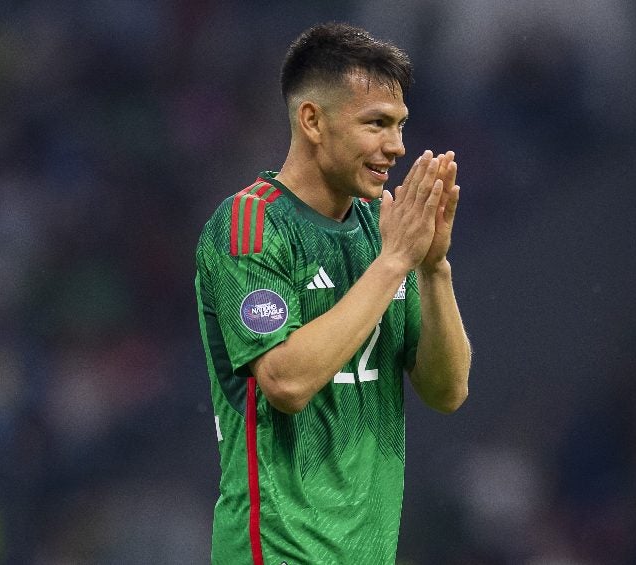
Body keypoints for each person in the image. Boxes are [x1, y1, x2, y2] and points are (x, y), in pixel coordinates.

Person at [194, 22, 471, 564]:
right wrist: (395, 263)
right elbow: (286, 381)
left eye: (400, 125)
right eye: (376, 123)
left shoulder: (382, 231)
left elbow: (447, 392)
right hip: (279, 551)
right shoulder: (251, 226)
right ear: (312, 120)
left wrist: (434, 267)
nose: (396, 146)